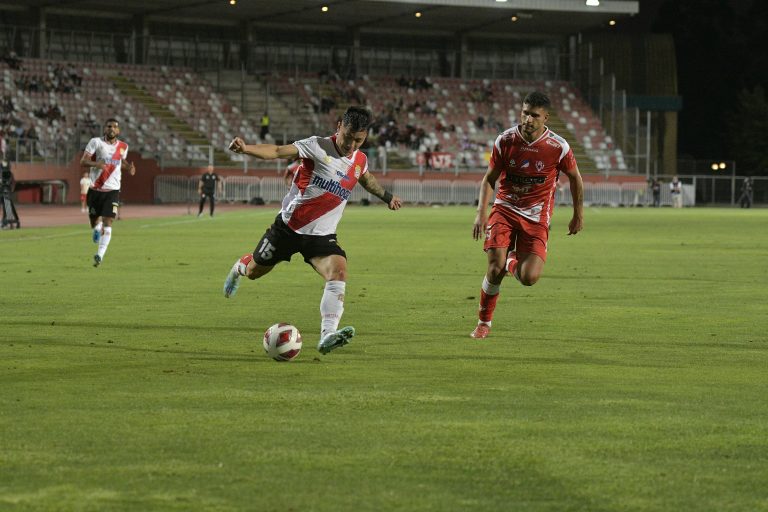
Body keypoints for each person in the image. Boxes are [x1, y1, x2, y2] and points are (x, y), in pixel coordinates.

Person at [224, 106, 403, 354]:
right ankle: (239, 267)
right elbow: (277, 151)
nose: (351, 145)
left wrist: (387, 196)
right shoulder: (316, 146)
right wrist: (246, 149)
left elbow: (365, 178)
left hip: (321, 237)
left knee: (338, 272)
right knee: (255, 271)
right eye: (348, 137)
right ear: (339, 125)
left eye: (359, 141)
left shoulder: (360, 159)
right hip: (287, 229)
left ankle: (328, 334)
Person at [470, 91, 584, 339]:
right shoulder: (505, 140)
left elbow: (575, 178)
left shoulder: (558, 146)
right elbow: (489, 180)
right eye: (525, 113)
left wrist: (578, 214)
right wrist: (480, 214)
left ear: (545, 118)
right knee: (494, 268)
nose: (528, 119)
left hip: (537, 216)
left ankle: (512, 260)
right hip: (505, 208)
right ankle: (483, 322)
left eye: (534, 115)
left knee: (529, 278)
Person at [80, 118, 135, 267]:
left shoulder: (124, 146)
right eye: (109, 126)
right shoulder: (96, 142)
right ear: (105, 129)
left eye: (115, 127)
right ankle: (97, 229)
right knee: (94, 221)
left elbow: (121, 161)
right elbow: (83, 161)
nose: (112, 129)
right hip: (95, 189)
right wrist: (95, 164)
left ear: (118, 131)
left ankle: (100, 255)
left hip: (113, 190)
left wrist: (128, 167)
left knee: (109, 221)